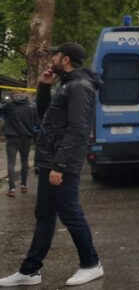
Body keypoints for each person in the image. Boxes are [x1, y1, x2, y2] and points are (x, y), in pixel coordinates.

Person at [0, 43, 103, 287]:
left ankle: (91, 264)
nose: (51, 59)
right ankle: (30, 270)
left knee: (70, 212)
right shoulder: (67, 84)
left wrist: (60, 165)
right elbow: (47, 117)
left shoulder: (79, 86)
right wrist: (44, 86)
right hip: (51, 159)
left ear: (64, 59)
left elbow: (78, 130)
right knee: (45, 215)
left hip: (61, 161)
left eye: (54, 55)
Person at [1, 92, 40, 197]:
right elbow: (37, 123)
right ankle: (24, 185)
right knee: (24, 161)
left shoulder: (9, 105)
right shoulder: (32, 106)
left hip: (12, 138)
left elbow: (1, 112)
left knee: (11, 163)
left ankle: (12, 188)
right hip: (26, 138)